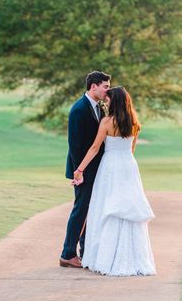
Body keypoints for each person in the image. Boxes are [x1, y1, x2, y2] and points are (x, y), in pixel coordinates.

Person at [73, 86, 156, 276]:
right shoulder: (135, 122)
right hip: (129, 166)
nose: (105, 102)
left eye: (108, 99)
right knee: (127, 207)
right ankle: (131, 257)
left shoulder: (107, 122)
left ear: (115, 101)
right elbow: (132, 149)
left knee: (107, 206)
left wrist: (79, 169)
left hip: (110, 167)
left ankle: (105, 257)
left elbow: (94, 148)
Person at [59, 71, 111, 268]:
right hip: (83, 171)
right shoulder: (79, 109)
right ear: (93, 86)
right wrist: (79, 172)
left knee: (89, 211)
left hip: (95, 170)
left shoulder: (98, 107)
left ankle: (85, 252)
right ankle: (68, 254)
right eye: (105, 86)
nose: (107, 90)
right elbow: (75, 146)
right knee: (80, 211)